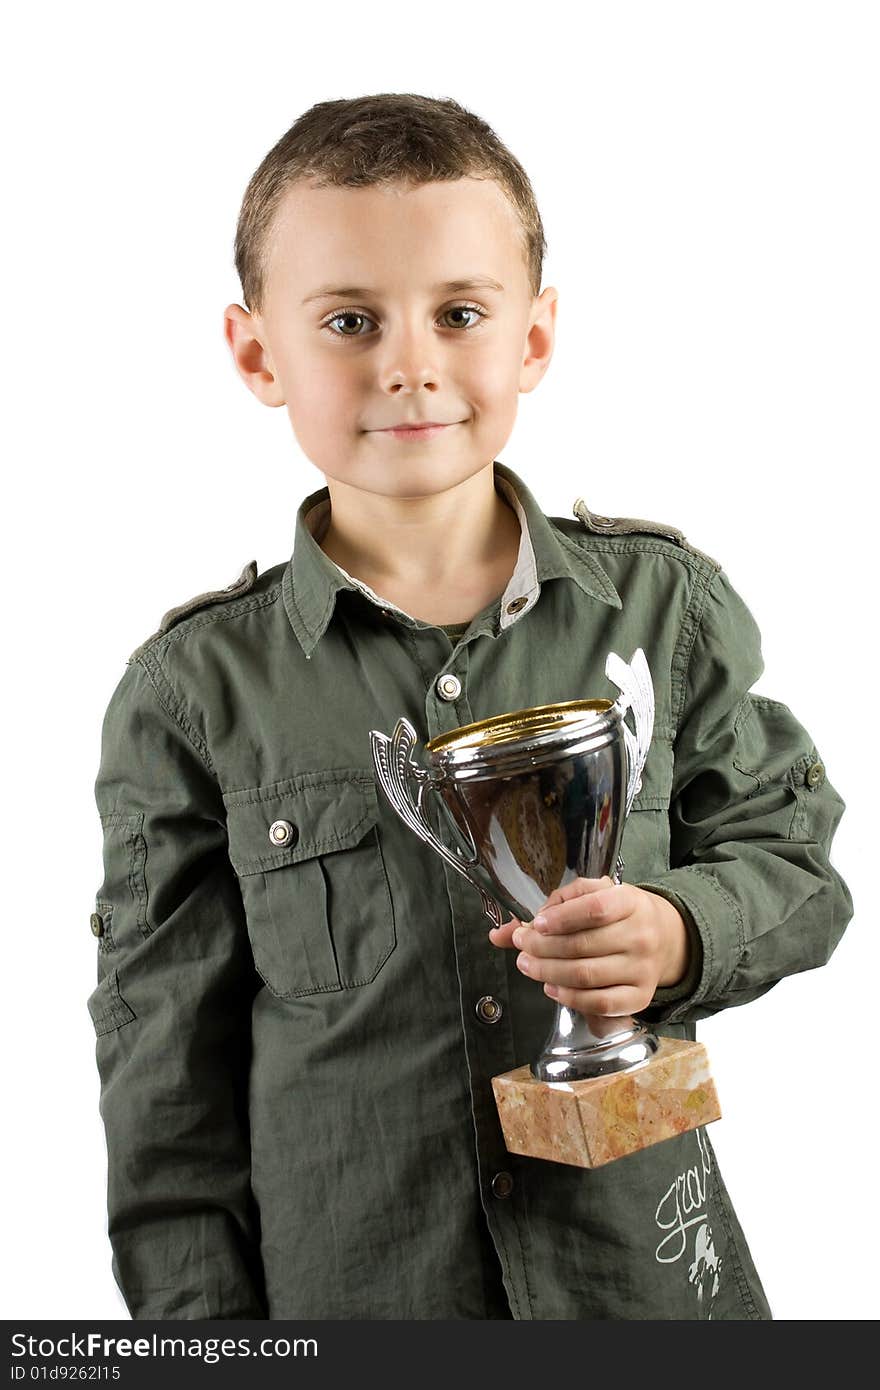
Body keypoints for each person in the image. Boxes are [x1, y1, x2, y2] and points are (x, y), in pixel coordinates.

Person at [89, 92, 853, 1321]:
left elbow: (796, 868)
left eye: (459, 314)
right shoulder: (191, 694)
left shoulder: (665, 610)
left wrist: (677, 930)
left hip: (646, 1287)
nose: (409, 363)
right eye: (349, 320)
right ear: (256, 354)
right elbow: (163, 1073)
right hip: (362, 1297)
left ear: (534, 339)